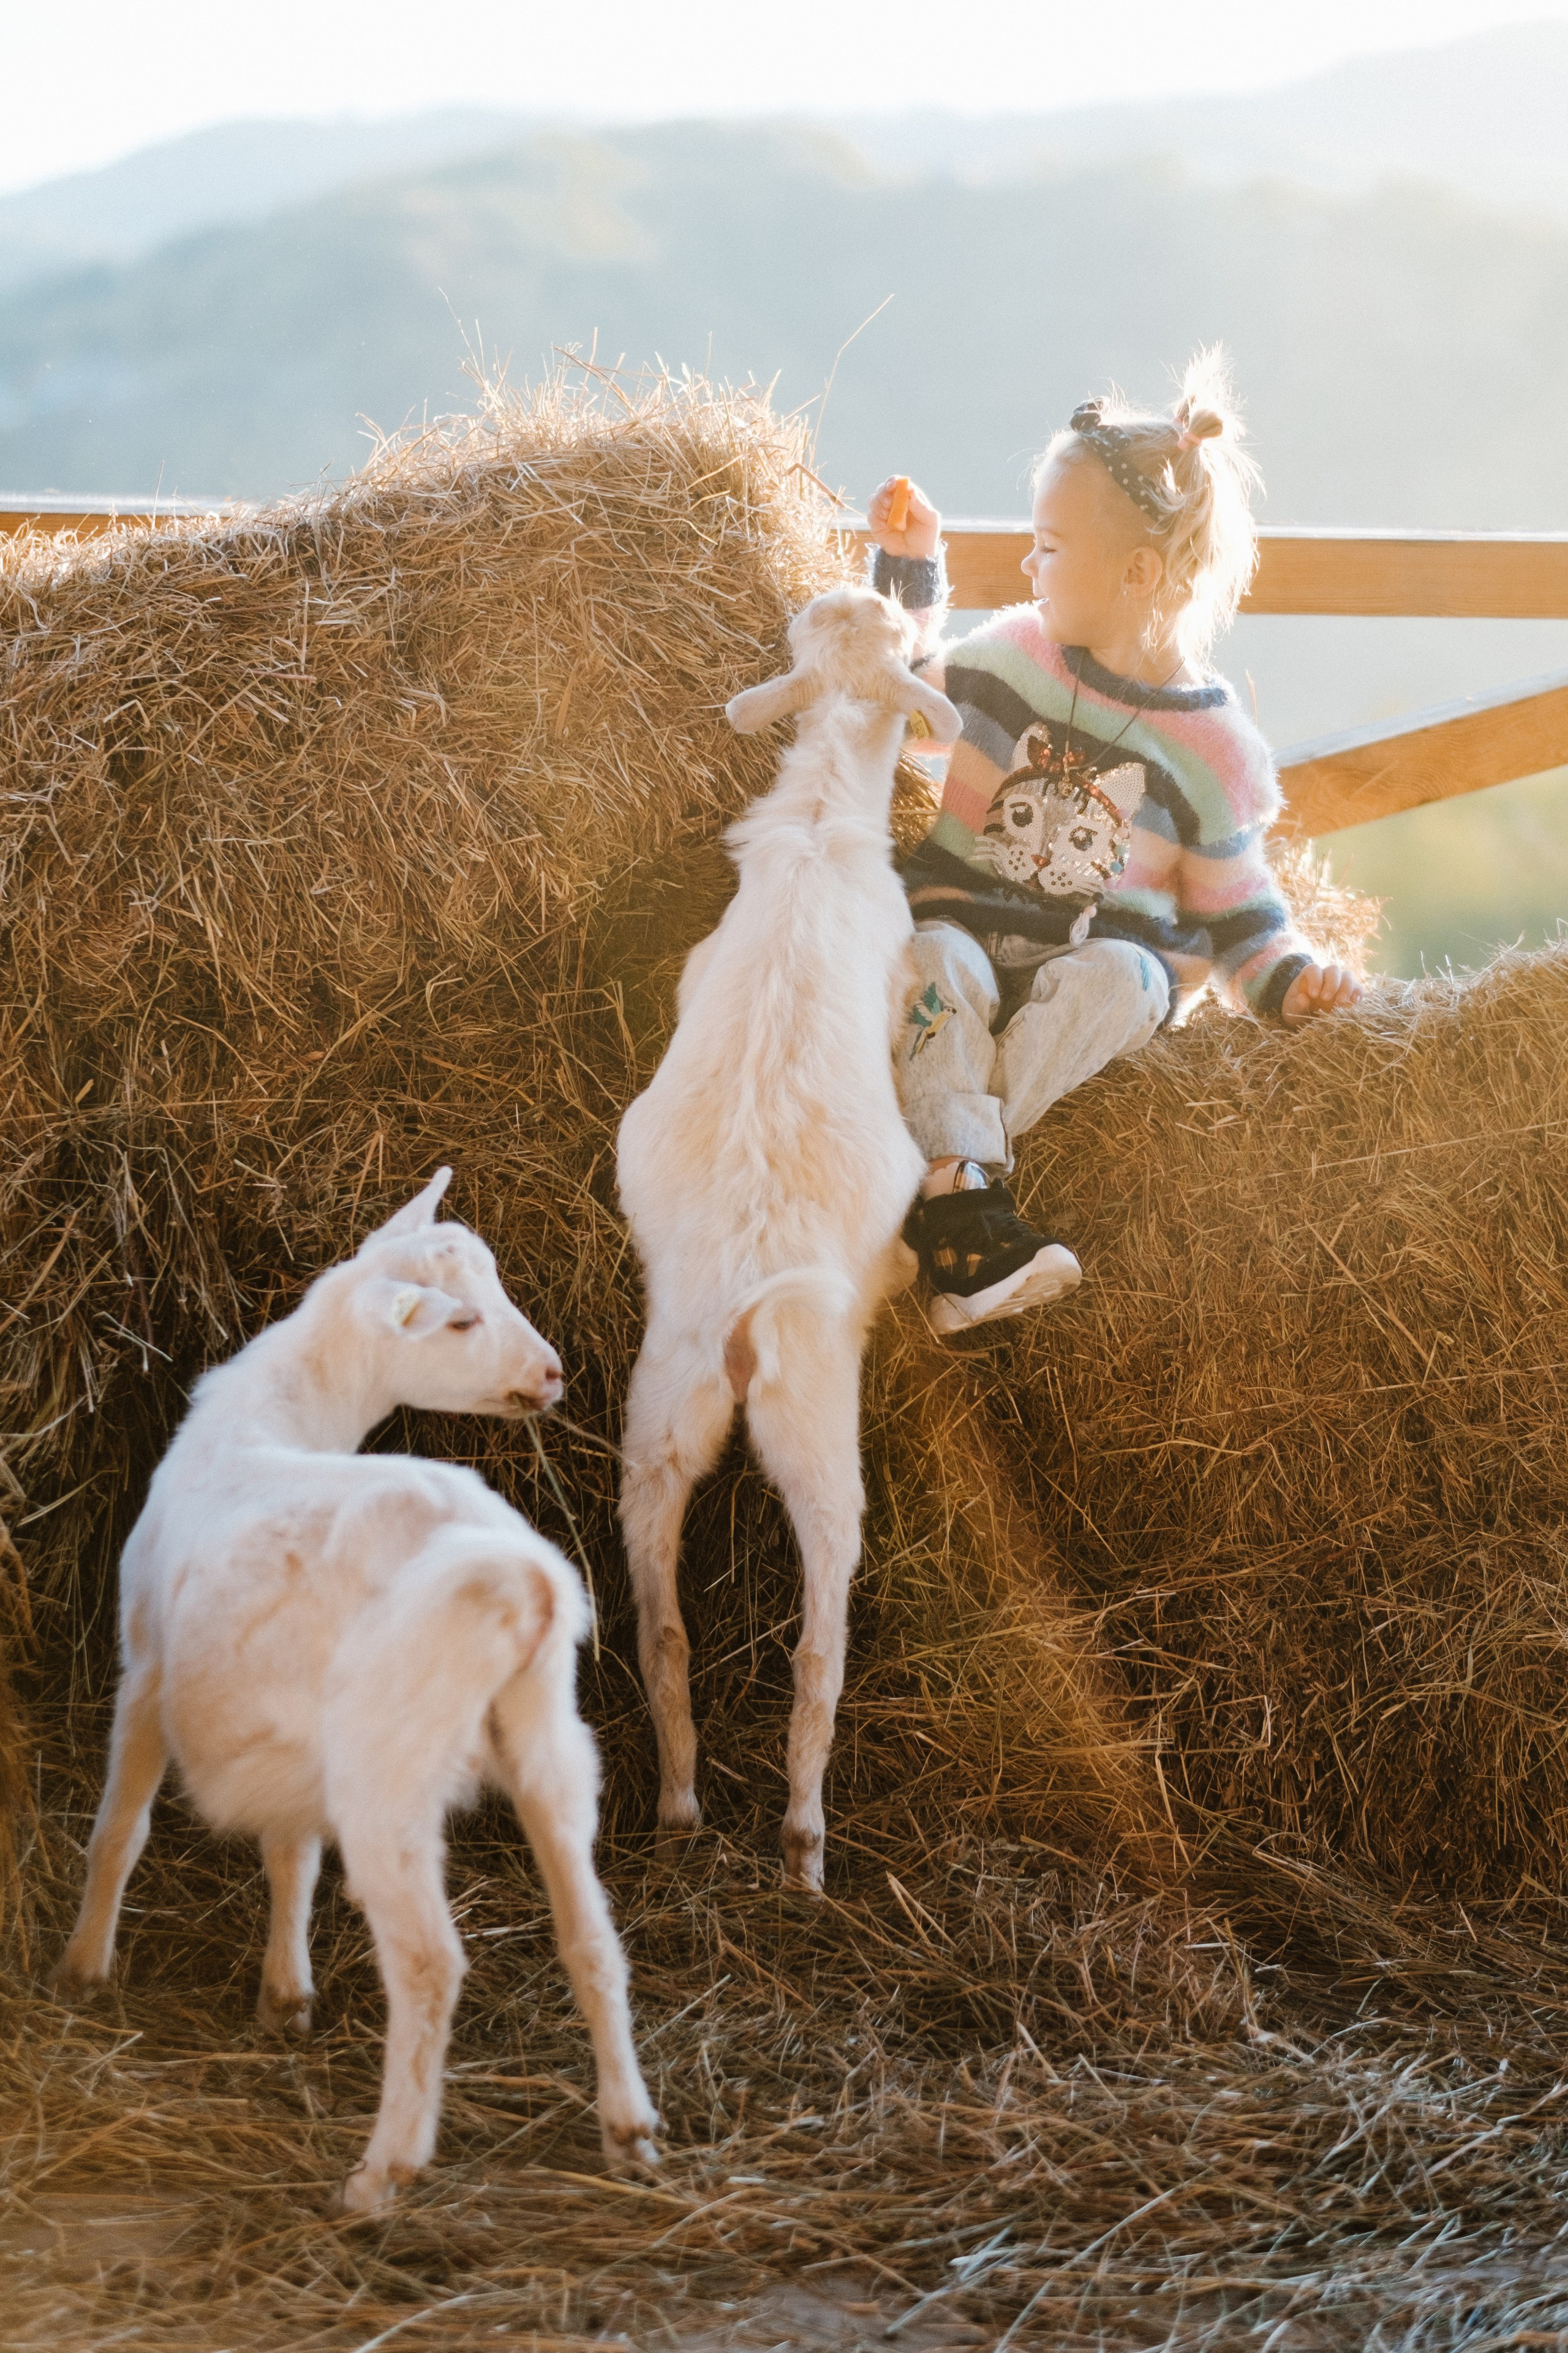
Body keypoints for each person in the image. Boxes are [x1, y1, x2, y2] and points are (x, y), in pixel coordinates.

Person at [868, 350, 1362, 1336]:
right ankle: (965, 1212)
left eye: (1049, 546)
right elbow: (913, 694)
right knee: (929, 959)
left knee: (1134, 980)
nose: (1026, 565)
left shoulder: (1215, 749)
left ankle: (947, 1171)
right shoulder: (1012, 653)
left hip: (1081, 981)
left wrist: (1293, 976)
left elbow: (1238, 913)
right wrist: (914, 566)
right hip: (962, 931)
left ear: (1138, 573)